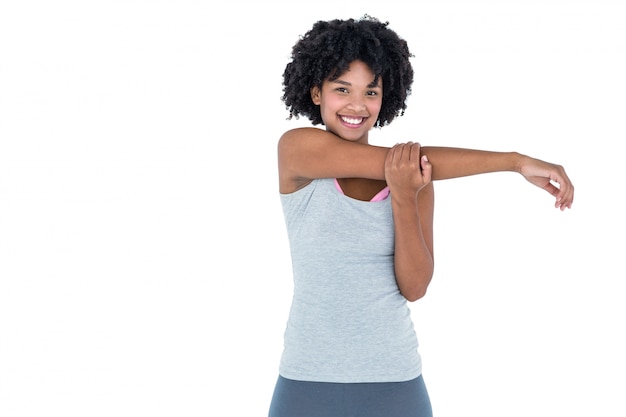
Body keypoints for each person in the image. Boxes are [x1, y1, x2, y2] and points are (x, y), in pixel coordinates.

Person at [268, 15, 574, 417]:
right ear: (316, 92)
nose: (358, 105)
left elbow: (414, 287)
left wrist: (404, 196)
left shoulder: (415, 180)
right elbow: (416, 160)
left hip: (394, 380)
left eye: (371, 91)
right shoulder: (298, 149)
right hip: (307, 379)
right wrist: (515, 162)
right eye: (342, 89)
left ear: (386, 96)